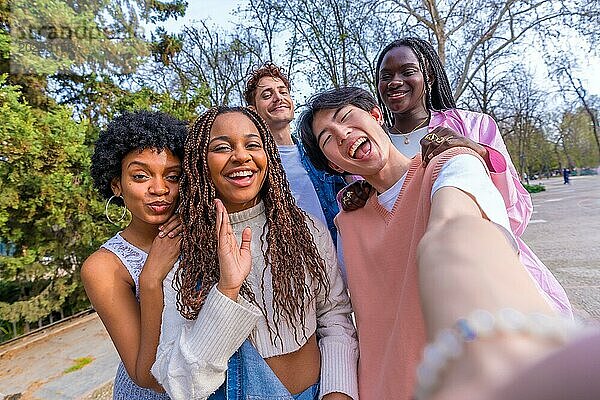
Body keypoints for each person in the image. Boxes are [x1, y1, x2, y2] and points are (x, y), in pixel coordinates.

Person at [298, 87, 583, 400]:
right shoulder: (348, 223)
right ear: (334, 165)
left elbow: (457, 226)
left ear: (377, 116)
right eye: (327, 138)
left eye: (347, 117)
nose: (342, 133)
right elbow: (347, 319)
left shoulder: (449, 162)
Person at [340, 37, 572, 317]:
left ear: (429, 75)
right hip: (406, 286)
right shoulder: (366, 149)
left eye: (407, 71)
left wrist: (475, 152)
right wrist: (358, 198)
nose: (394, 81)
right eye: (385, 76)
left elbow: (517, 211)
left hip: (479, 271)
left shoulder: (474, 126)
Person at [151, 106, 358, 400]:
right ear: (199, 163)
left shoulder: (306, 229)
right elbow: (183, 386)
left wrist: (338, 392)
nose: (241, 156)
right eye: (222, 147)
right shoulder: (182, 252)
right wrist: (227, 290)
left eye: (252, 144)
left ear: (268, 157)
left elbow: (334, 315)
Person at [82, 111, 187, 398]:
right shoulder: (105, 267)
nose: (159, 189)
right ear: (117, 184)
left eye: (172, 176)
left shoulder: (201, 233)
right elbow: (146, 375)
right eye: (140, 176)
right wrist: (151, 278)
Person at [243, 62, 347, 243]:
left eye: (283, 92)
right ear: (253, 112)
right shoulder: (254, 166)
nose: (278, 98)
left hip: (342, 250)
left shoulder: (319, 151)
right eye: (267, 95)